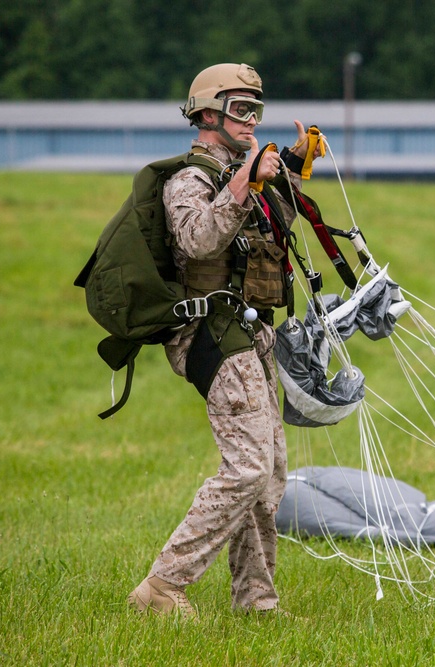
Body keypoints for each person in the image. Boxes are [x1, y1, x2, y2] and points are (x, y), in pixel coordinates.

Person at [127, 63, 319, 616]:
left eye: (257, 110)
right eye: (240, 109)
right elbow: (198, 240)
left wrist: (294, 169)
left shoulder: (246, 171)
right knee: (249, 467)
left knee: (271, 472)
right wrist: (244, 181)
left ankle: (255, 599)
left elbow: (273, 234)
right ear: (208, 114)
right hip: (208, 331)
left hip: (251, 329)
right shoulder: (189, 179)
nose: (251, 121)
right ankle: (162, 587)